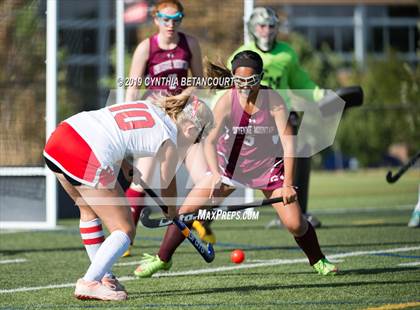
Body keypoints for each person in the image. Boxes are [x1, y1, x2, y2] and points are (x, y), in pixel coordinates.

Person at [134, 51, 338, 278]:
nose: (245, 87)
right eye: (239, 81)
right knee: (187, 211)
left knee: (295, 223)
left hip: (267, 168)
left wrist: (288, 184)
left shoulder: (274, 102)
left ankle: (318, 259)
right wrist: (214, 175)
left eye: (251, 81)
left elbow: (289, 145)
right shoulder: (225, 103)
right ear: (233, 78)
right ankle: (162, 259)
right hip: (229, 167)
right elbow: (210, 141)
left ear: (260, 78)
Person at [43, 89, 214, 300]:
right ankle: (89, 282)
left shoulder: (150, 108)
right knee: (124, 229)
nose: (196, 143)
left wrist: (124, 165)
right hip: (85, 153)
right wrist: (172, 211)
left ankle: (104, 277)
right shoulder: (169, 137)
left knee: (88, 211)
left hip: (59, 139)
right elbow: (166, 181)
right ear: (190, 128)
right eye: (199, 137)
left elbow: (108, 129)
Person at [122, 0, 205, 256]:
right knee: (142, 179)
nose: (171, 24)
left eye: (176, 19)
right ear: (156, 19)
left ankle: (193, 221)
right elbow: (133, 88)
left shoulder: (190, 44)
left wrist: (183, 98)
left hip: (181, 118)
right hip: (153, 118)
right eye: (166, 19)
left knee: (202, 177)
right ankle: (124, 236)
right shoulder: (146, 47)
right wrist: (129, 119)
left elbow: (200, 82)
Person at [230, 7, 324, 229]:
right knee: (231, 170)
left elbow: (300, 81)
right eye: (262, 26)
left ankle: (298, 212)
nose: (267, 30)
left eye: (272, 25)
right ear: (253, 28)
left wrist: (320, 95)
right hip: (251, 121)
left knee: (297, 158)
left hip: (281, 117)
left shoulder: (286, 53)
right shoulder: (243, 54)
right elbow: (228, 88)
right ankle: (201, 218)